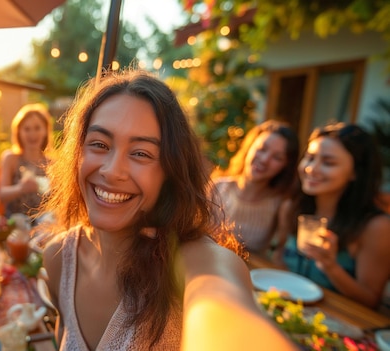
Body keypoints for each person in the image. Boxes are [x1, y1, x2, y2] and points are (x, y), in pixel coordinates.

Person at [40, 70, 296, 350]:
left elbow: (223, 302)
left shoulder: (192, 262)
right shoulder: (58, 258)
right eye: (100, 144)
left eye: (141, 153)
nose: (112, 171)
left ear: (170, 172)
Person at [274, 122, 390, 308]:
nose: (311, 168)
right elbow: (280, 255)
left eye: (328, 163)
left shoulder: (376, 227)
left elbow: (370, 300)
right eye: (310, 158)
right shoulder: (291, 207)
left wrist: (331, 267)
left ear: (355, 173)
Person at [211, 121, 299, 256]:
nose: (264, 159)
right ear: (249, 147)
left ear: (285, 166)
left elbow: (277, 256)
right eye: (262, 149)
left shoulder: (280, 205)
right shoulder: (216, 187)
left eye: (277, 157)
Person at [0, 103, 53, 222]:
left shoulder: (52, 163)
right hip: (15, 222)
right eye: (27, 129)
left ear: (45, 131)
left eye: (37, 128)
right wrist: (20, 188)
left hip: (44, 224)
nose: (32, 134)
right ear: (19, 132)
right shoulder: (11, 159)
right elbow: (1, 195)